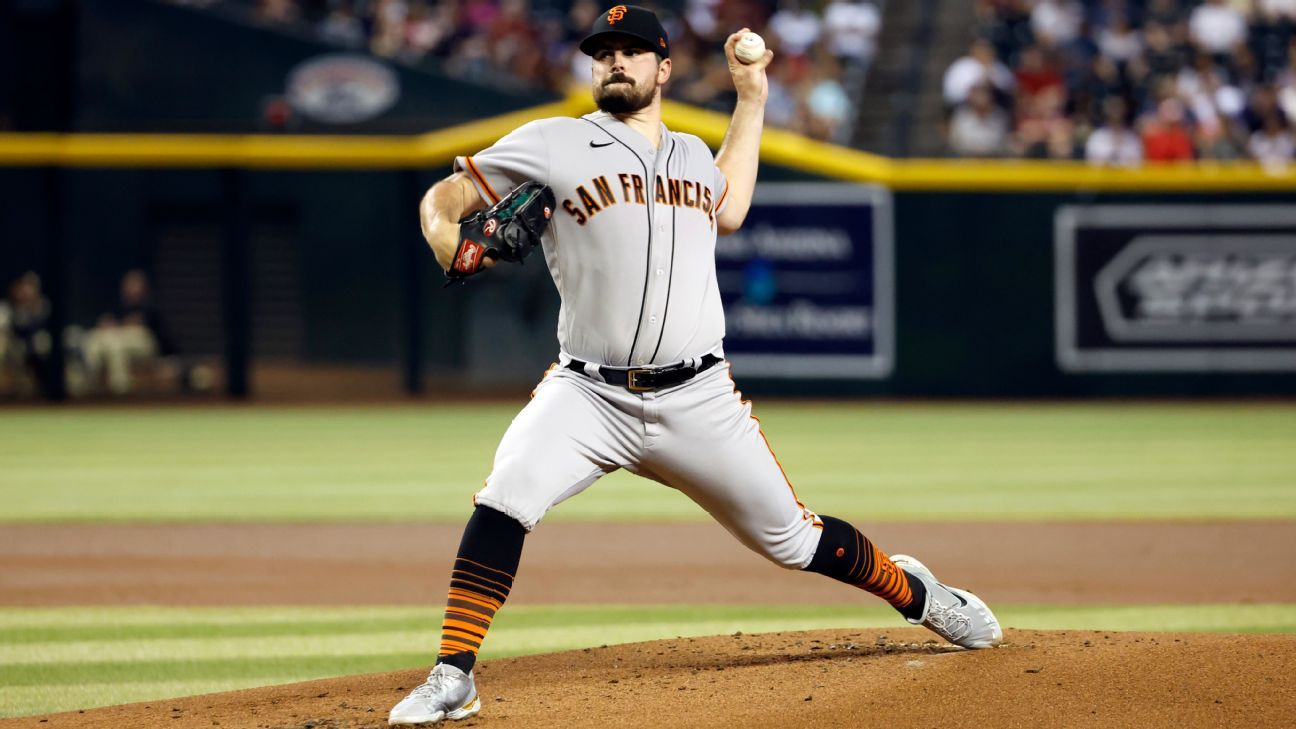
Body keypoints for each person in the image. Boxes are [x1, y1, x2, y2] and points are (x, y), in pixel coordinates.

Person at [389, 6, 1002, 726]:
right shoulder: (552, 142)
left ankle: (921, 595)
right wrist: (442, 238)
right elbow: (446, 196)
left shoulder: (687, 155)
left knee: (795, 540)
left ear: (663, 69)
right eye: (604, 52)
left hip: (698, 396)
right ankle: (453, 673)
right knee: (505, 496)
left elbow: (732, 204)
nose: (616, 62)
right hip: (587, 393)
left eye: (632, 51)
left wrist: (752, 95)